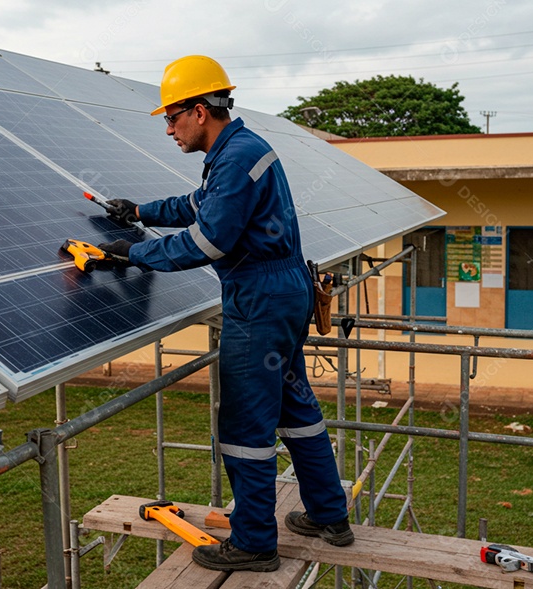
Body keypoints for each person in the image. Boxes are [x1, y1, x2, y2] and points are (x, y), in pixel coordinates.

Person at [97, 55, 353, 572]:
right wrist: (141, 212)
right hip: (284, 292)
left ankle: (255, 542)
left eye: (172, 117)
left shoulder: (235, 158)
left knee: (243, 424)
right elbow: (197, 206)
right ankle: (330, 515)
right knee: (293, 407)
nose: (168, 129)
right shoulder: (238, 150)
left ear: (198, 111)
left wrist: (133, 252)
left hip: (259, 302)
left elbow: (208, 239)